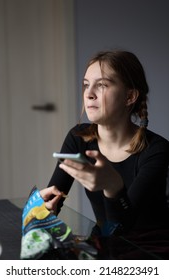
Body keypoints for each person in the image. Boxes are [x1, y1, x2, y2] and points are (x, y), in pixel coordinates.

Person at [40, 50, 169, 257]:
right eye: (86, 84)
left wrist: (112, 187)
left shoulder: (156, 149)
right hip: (104, 243)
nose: (89, 93)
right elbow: (53, 202)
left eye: (102, 85)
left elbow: (123, 228)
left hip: (149, 250)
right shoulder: (78, 137)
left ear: (130, 96)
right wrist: (41, 207)